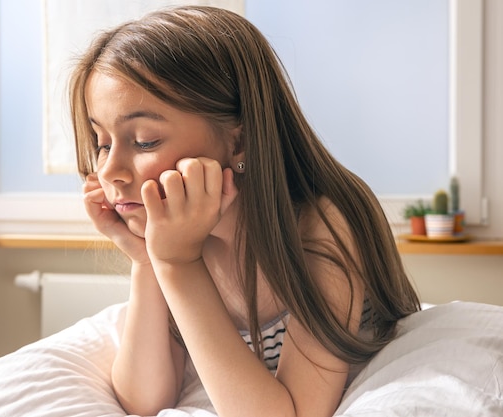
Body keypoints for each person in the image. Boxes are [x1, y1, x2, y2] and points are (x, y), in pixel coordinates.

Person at [69, 6, 420, 417]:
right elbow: (143, 400)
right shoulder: (177, 237)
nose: (108, 170)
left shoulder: (324, 225)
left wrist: (178, 263)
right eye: (102, 142)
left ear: (240, 142)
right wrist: (149, 259)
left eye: (145, 140)